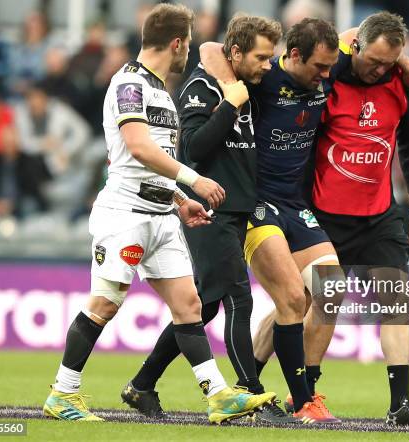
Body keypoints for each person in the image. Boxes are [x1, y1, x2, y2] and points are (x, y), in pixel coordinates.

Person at [43, 4, 274, 423]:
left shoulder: (160, 90)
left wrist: (179, 200)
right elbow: (138, 148)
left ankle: (218, 395)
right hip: (126, 214)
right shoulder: (129, 84)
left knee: (188, 304)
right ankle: (63, 392)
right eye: (187, 41)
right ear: (177, 43)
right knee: (105, 304)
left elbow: (154, 160)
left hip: (162, 214)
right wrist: (194, 181)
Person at [200, 18, 409, 423]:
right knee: (290, 300)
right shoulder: (263, 78)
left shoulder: (330, 64)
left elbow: (360, 35)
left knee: (329, 290)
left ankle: (275, 392)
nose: (327, 77)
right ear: (295, 56)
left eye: (330, 67)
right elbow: (210, 49)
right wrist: (230, 87)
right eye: (320, 68)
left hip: (295, 203)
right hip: (257, 203)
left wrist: (401, 60)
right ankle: (281, 396)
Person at [120, 14, 294, 424]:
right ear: (237, 53)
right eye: (261, 57)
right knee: (240, 297)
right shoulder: (201, 88)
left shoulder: (243, 81)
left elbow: (213, 49)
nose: (267, 66)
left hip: (236, 211)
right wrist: (229, 105)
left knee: (204, 307)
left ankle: (142, 385)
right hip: (208, 210)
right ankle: (251, 394)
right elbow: (194, 148)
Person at [309, 11, 409, 426]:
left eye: (391, 62)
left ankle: (399, 404)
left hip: (379, 214)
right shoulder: (328, 76)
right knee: (317, 304)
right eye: (375, 61)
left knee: (396, 302)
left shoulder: (399, 86)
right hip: (325, 215)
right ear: (355, 48)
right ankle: (299, 393)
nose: (380, 69)